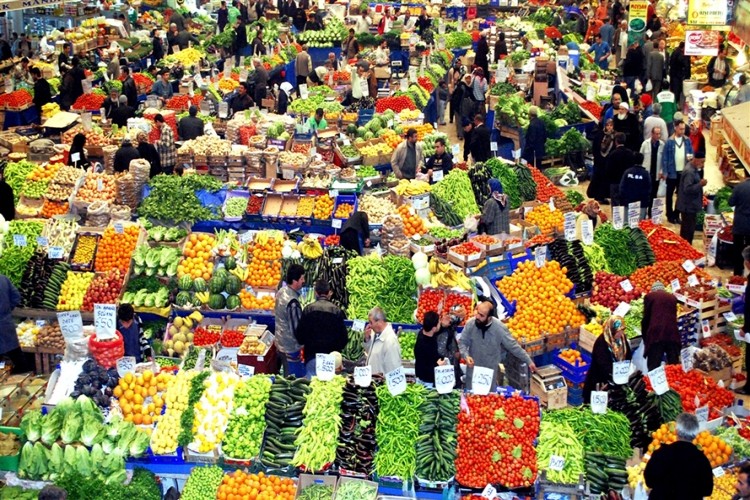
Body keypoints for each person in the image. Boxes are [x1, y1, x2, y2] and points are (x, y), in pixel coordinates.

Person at [460, 302, 536, 391]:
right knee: (471, 397)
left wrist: (528, 360)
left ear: (489, 317)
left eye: (481, 315)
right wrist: (466, 356)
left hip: (490, 373)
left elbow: (513, 346)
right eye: (477, 312)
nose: (477, 317)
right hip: (472, 370)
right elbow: (462, 342)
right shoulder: (471, 324)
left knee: (488, 398)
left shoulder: (499, 328)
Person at [644, 413, 713, 499]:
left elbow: (649, 481)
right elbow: (707, 490)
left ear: (676, 431)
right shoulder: (702, 461)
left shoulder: (661, 454)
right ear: (695, 435)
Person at [294, 279, 348, 378]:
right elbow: (343, 339)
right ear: (329, 293)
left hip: (312, 357)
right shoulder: (336, 311)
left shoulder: (308, 309)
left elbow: (300, 336)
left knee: (313, 389)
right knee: (328, 389)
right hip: (331, 360)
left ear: (315, 292)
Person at [583, 316, 631, 402]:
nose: (620, 334)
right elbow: (602, 364)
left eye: (622, 331)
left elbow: (628, 355)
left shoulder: (622, 340)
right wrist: (613, 374)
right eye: (618, 332)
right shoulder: (601, 342)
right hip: (600, 380)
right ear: (611, 330)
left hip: (617, 378)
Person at [274, 264, 305, 377]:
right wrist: (304, 343)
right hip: (290, 347)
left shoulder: (281, 291)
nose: (304, 281)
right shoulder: (293, 303)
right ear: (295, 281)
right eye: (302, 278)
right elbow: (296, 329)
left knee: (286, 368)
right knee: (292, 376)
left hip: (280, 341)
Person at [641, 281, 679, 370]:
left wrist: (645, 337)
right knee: (674, 365)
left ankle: (653, 382)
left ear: (653, 290)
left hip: (656, 334)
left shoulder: (649, 297)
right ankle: (674, 381)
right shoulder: (672, 297)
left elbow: (647, 318)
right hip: (672, 333)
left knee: (654, 364)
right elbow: (673, 317)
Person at [661, 120, 694, 224]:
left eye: (684, 129)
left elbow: (691, 153)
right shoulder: (669, 141)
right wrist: (665, 172)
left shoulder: (687, 140)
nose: (682, 131)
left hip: (683, 173)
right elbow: (665, 158)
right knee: (669, 195)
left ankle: (676, 214)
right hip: (672, 173)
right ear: (675, 128)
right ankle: (669, 214)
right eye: (680, 129)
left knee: (680, 196)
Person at [677, 150, 706, 242]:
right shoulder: (690, 172)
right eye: (702, 162)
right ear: (696, 160)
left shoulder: (693, 169)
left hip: (690, 205)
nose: (703, 164)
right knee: (687, 230)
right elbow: (687, 189)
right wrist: (700, 185)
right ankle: (686, 248)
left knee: (688, 228)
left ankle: (686, 247)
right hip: (688, 206)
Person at [364, 307, 401, 376]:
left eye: (371, 322)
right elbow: (371, 352)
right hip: (374, 381)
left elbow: (393, 368)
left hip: (381, 383)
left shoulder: (390, 341)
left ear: (378, 322)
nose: (369, 326)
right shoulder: (375, 333)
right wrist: (367, 339)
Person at [437, 306, 465, 388]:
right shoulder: (443, 332)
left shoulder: (449, 326)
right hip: (447, 364)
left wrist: (461, 314)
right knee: (450, 384)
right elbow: (441, 350)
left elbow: (457, 320)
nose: (450, 318)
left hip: (453, 362)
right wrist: (453, 355)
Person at [588, 119, 615, 203]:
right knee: (598, 179)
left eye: (611, 125)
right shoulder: (599, 135)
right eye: (608, 125)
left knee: (605, 181)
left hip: (608, 163)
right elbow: (595, 148)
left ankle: (603, 197)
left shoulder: (614, 136)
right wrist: (598, 159)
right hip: (599, 162)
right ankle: (597, 197)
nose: (609, 127)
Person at [414, 311, 443, 387]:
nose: (440, 324)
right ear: (433, 328)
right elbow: (427, 368)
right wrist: (438, 365)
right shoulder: (426, 346)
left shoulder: (422, 333)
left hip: (422, 375)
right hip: (426, 381)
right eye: (439, 323)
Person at [619, 152, 652, 219]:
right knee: (639, 225)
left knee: (626, 226)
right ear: (642, 161)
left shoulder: (627, 172)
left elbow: (621, 187)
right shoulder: (646, 174)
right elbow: (649, 189)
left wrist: (622, 200)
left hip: (627, 203)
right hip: (641, 205)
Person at [607, 132, 635, 206]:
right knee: (626, 203)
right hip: (627, 182)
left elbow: (608, 169)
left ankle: (617, 218)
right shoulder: (630, 153)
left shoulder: (613, 154)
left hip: (615, 182)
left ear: (616, 141)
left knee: (615, 205)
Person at [641, 125, 665, 211]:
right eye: (656, 134)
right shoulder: (645, 144)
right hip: (647, 173)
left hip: (656, 173)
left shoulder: (662, 145)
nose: (658, 136)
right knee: (645, 193)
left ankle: (651, 212)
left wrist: (662, 171)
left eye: (659, 134)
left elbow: (664, 160)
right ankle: (644, 211)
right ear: (652, 134)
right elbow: (641, 157)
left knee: (654, 194)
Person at [730, 183, 750, 276]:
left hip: (740, 224)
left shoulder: (739, 187)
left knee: (738, 249)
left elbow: (731, 202)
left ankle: (737, 274)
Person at [455, 75, 475, 140]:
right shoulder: (462, 87)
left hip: (464, 107)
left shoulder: (466, 86)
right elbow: (458, 99)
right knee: (460, 120)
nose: (469, 81)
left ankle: (463, 133)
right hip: (460, 107)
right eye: (467, 79)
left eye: (470, 79)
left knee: (463, 120)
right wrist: (459, 108)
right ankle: (460, 135)